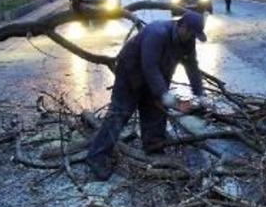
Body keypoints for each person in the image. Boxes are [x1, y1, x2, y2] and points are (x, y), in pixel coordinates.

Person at [85, 10, 211, 181]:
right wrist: (164, 95)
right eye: (191, 34)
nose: (192, 38)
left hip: (158, 73)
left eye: (194, 36)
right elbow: (149, 66)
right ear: (182, 25)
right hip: (131, 72)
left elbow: (192, 67)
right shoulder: (157, 33)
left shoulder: (187, 40)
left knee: (156, 112)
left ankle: (154, 147)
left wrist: (200, 94)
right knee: (119, 114)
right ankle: (96, 156)